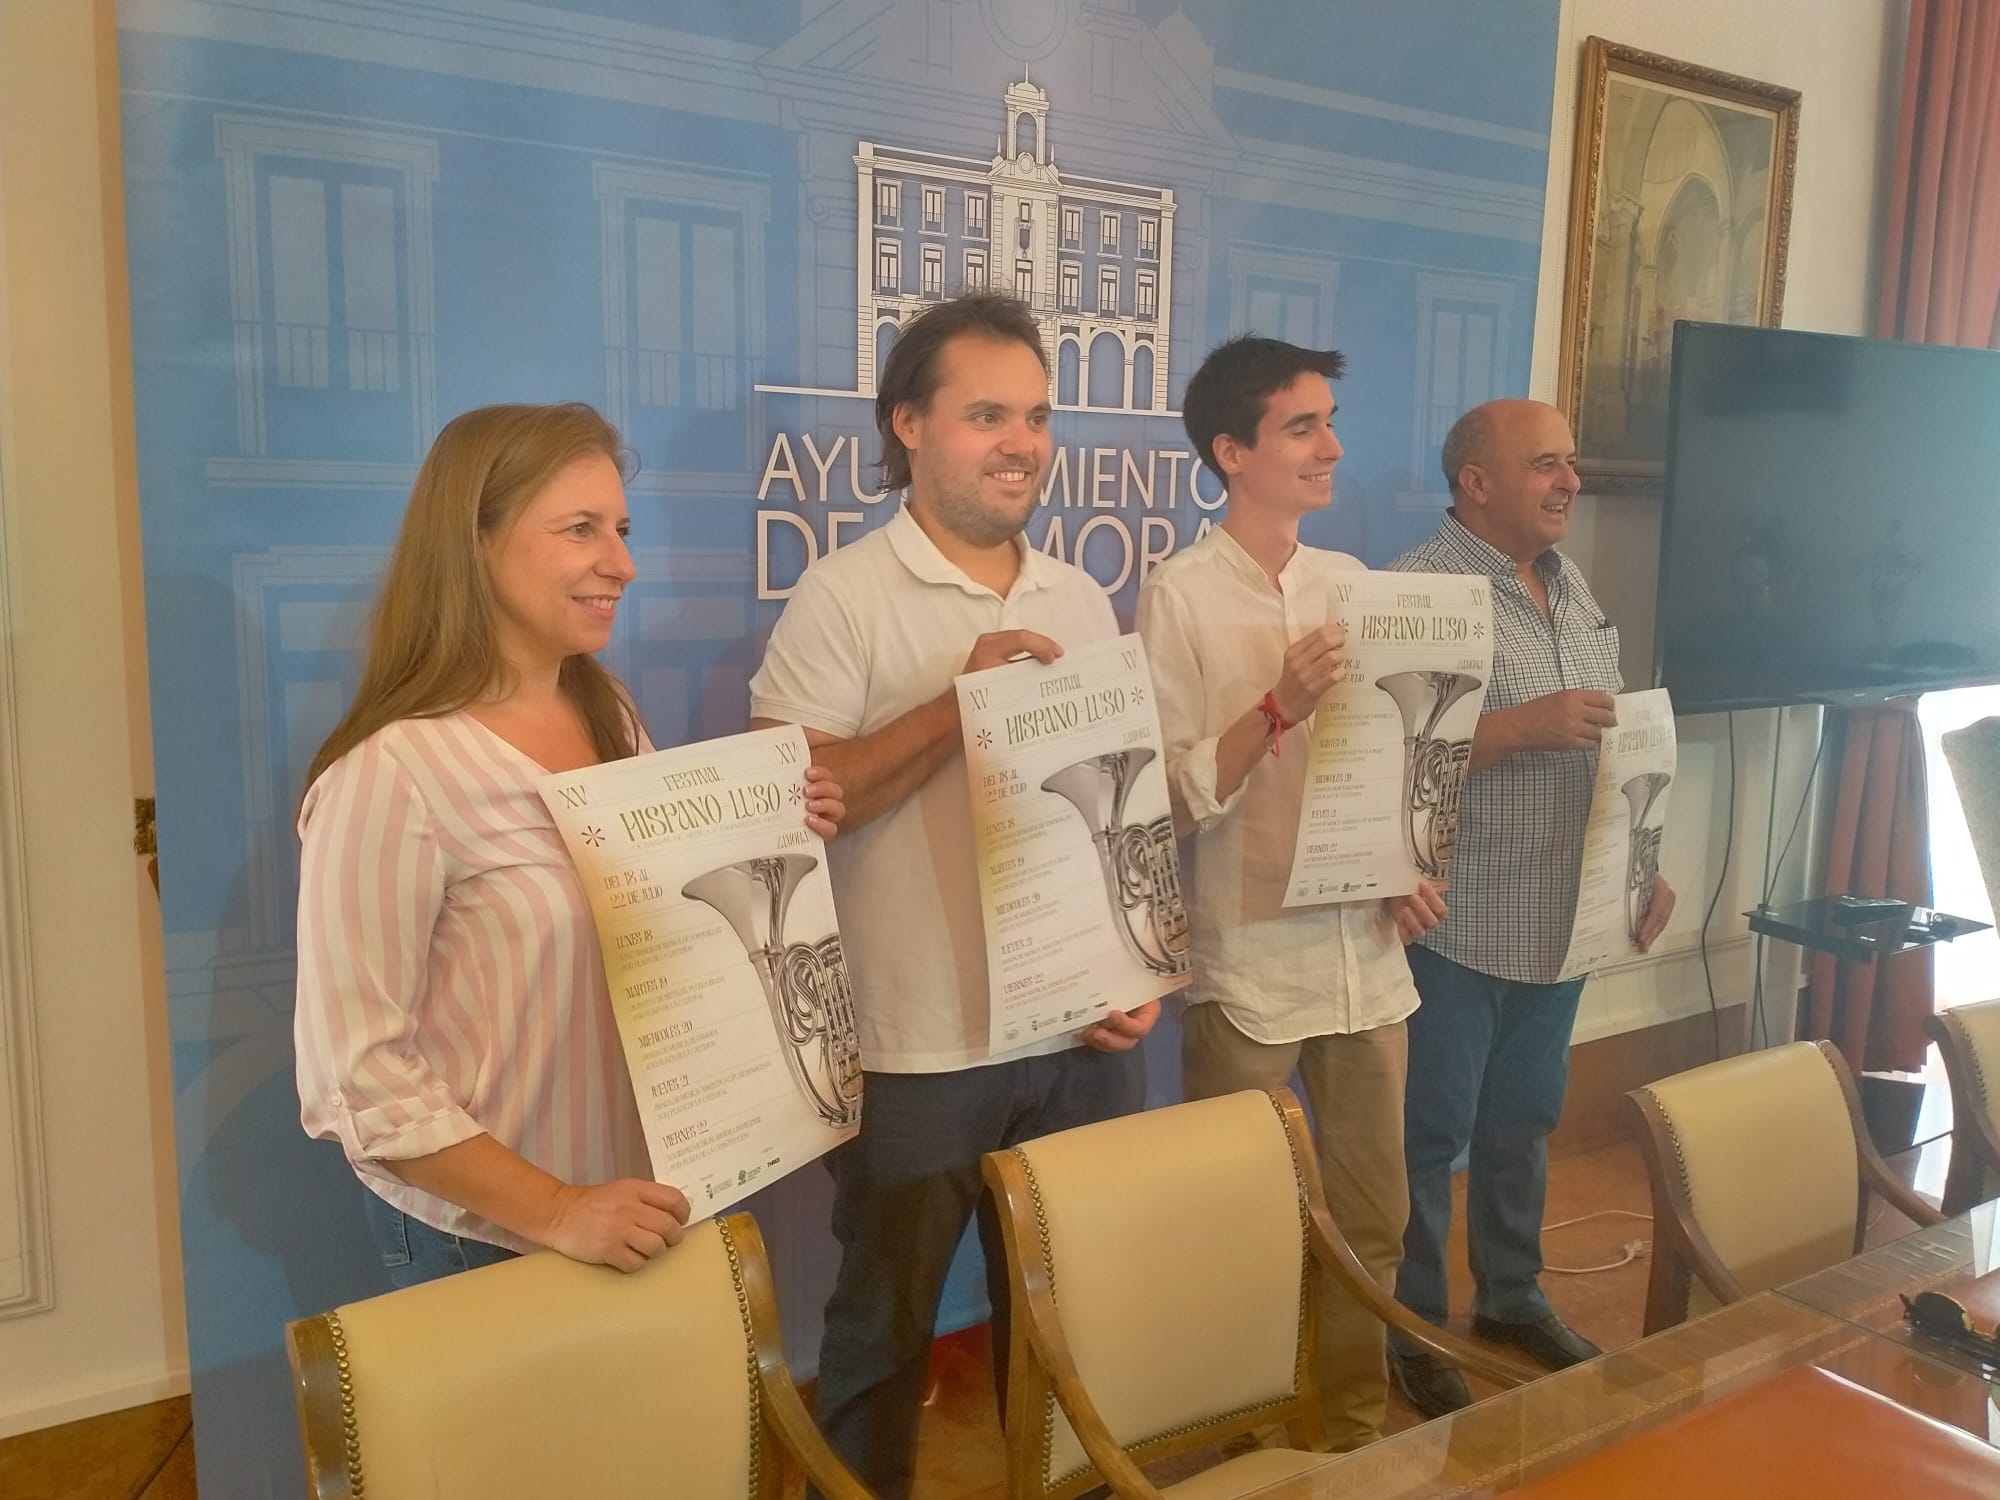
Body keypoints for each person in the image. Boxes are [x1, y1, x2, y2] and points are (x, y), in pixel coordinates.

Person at [748, 291, 1159, 1498]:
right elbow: (795, 801)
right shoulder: (841, 596)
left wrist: (1127, 973)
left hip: (1081, 1036)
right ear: (906, 426)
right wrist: (957, 698)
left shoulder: (1078, 597)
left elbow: (1108, 810)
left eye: (1034, 415)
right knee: (882, 1338)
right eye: (986, 414)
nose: (1020, 441)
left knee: (1075, 1322)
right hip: (918, 1048)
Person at [294, 401, 845, 1288]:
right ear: (473, 543)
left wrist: (773, 819)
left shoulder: (609, 713)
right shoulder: (390, 775)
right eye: (580, 529)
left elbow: (667, 913)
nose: (621, 564)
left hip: (638, 1203)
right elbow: (357, 1082)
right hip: (489, 1239)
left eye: (621, 529)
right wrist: (555, 1208)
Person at [1136, 335, 1447, 1448]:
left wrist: (1409, 864)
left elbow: (1398, 765)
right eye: (1301, 427)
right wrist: (1273, 705)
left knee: (1374, 1217)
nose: (1331, 446)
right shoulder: (1175, 599)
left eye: (1327, 422)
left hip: (1364, 958)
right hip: (1247, 959)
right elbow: (1168, 799)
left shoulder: (1354, 588)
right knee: (1238, 1219)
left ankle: (1351, 1433)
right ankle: (1229, 1439)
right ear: (1230, 452)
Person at [1385, 398, 1676, 1415]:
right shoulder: (1417, 590)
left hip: (1564, 917)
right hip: (1456, 923)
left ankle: (1507, 1295)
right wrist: (1517, 727)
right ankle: (1411, 1324)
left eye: (1570, 462)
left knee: (1523, 1120)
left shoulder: (1571, 584)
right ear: (1476, 481)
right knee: (1427, 1134)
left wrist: (1642, 869)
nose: (1569, 481)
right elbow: (1385, 762)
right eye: (1545, 463)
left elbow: (1619, 747)